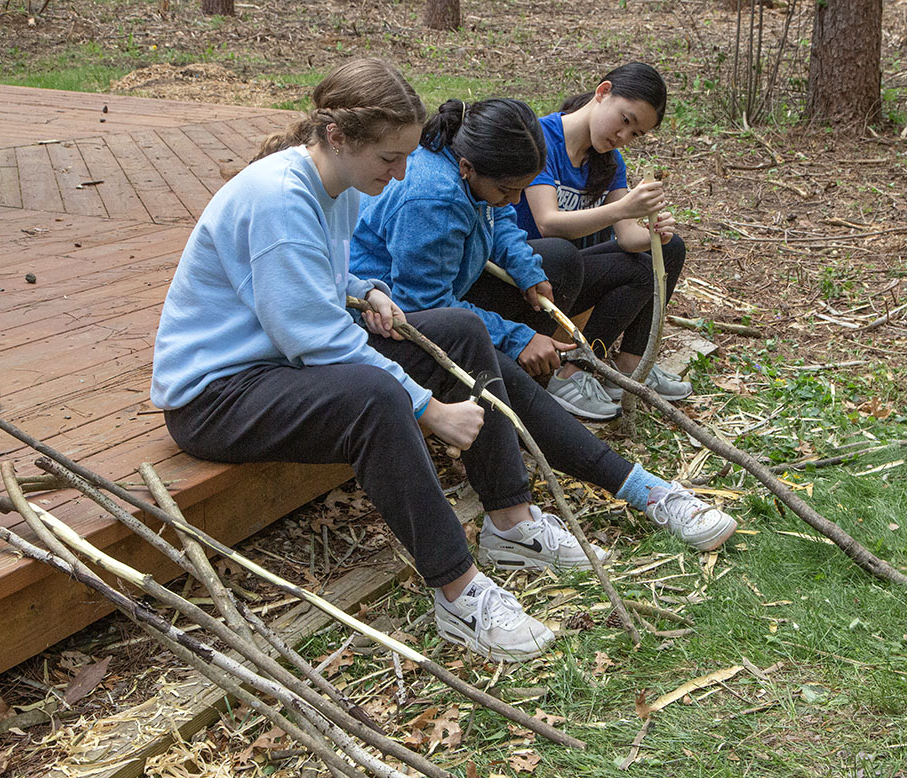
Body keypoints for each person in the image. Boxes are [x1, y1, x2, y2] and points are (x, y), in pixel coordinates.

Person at [148, 59, 625, 663]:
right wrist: (428, 407)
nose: (402, 173)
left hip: (279, 362)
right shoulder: (278, 200)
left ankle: (511, 523)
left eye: (405, 156)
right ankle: (458, 590)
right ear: (338, 136)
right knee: (373, 400)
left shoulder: (337, 185)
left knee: (458, 324)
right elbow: (314, 338)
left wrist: (367, 288)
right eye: (389, 159)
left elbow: (328, 279)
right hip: (216, 395)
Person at [350, 97, 737, 554]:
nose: (515, 200)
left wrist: (527, 270)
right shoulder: (432, 197)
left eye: (521, 189)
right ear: (469, 168)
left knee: (551, 263)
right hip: (391, 324)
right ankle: (641, 492)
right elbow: (426, 307)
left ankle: (542, 429)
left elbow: (501, 221)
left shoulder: (468, 164)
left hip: (435, 305)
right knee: (489, 365)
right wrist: (517, 336)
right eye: (508, 190)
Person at [514, 62, 693, 404]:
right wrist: (623, 209)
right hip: (528, 277)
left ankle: (631, 367)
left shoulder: (609, 161)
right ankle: (574, 370)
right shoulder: (541, 139)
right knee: (615, 264)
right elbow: (547, 222)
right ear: (603, 92)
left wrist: (654, 233)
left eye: (636, 134)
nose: (623, 136)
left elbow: (626, 237)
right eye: (626, 121)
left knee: (670, 250)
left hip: (569, 278)